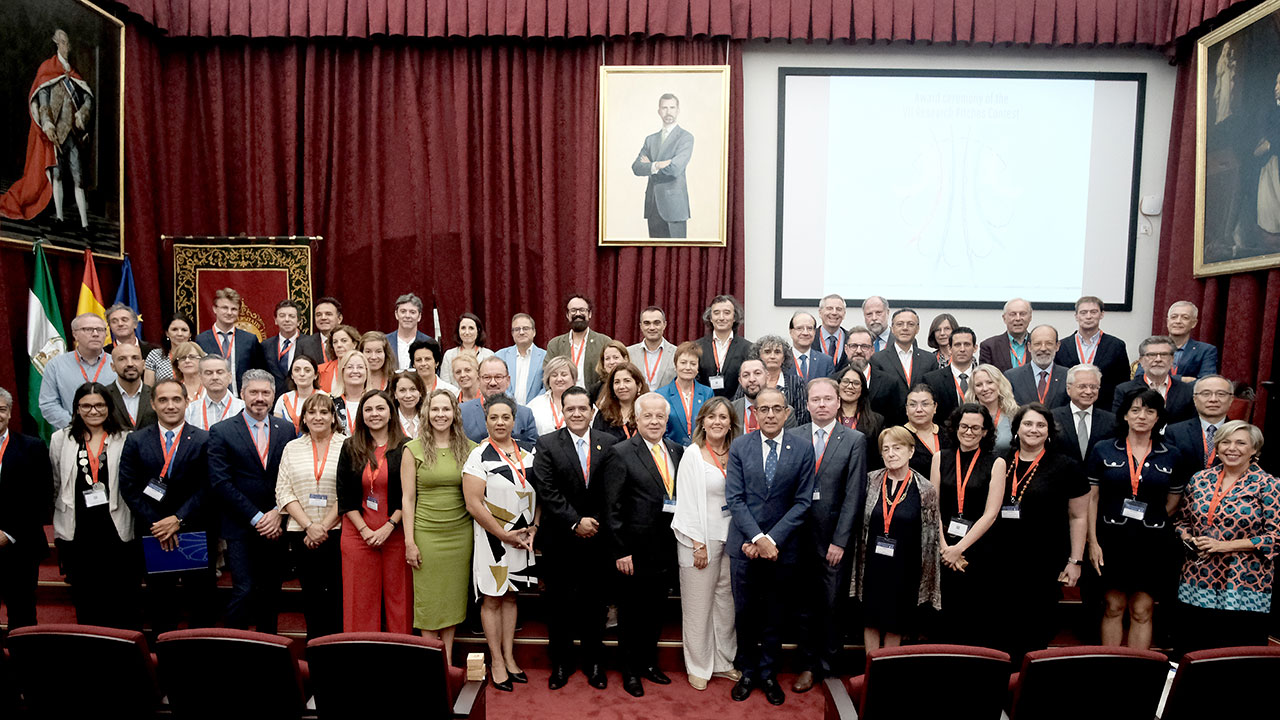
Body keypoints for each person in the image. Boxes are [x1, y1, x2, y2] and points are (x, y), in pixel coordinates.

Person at [723, 387, 813, 706]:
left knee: (776, 613)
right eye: (764, 409)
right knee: (746, 613)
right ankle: (747, 672)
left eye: (777, 409)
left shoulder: (803, 449)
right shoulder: (740, 447)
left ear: (787, 412)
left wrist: (771, 540)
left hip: (783, 549)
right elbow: (735, 498)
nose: (770, 414)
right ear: (754, 413)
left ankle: (768, 674)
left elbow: (803, 502)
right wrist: (757, 539)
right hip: (745, 547)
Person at [532, 386, 620, 691]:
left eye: (582, 408)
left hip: (598, 539)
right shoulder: (546, 445)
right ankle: (561, 663)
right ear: (562, 411)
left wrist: (593, 524)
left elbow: (613, 491)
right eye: (570, 409)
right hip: (560, 539)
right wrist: (575, 522)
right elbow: (546, 490)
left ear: (591, 410)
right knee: (559, 605)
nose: (577, 414)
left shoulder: (609, 443)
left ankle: (595, 663)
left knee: (595, 606)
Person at [1087, 388, 1189, 650]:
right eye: (1135, 410)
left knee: (1143, 609)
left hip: (1153, 543)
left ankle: (1137, 672)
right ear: (1125, 416)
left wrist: (1152, 520)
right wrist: (1093, 541)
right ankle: (1110, 664)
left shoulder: (1172, 454)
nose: (1142, 416)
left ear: (1158, 418)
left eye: (1149, 411)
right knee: (1113, 605)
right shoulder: (1104, 449)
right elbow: (1092, 499)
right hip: (1111, 539)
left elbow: (1174, 501)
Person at [989, 402, 1089, 662]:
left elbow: (1078, 516)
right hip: (1000, 562)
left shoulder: (1066, 466)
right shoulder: (1001, 460)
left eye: (1040, 425)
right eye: (1028, 424)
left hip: (1042, 564)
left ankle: (1024, 693)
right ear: (1016, 429)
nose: (1034, 430)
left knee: (1034, 634)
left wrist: (1075, 560)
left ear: (1049, 431)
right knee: (1000, 632)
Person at [117, 378, 216, 631]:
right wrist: (159, 524)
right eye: (163, 400)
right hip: (154, 533)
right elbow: (129, 487)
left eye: (176, 399)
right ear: (153, 404)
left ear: (186, 401)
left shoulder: (206, 439)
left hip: (194, 530)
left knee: (201, 602)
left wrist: (178, 520)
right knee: (161, 601)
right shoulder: (136, 441)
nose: (170, 405)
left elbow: (209, 485)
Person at [604, 393, 685, 697]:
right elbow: (611, 507)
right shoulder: (621, 452)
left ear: (667, 420)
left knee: (655, 611)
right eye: (647, 416)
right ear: (636, 420)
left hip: (666, 547)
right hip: (633, 551)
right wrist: (620, 550)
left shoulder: (677, 451)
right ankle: (630, 671)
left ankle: (649, 664)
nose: (654, 421)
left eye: (659, 416)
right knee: (631, 613)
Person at [789, 378, 867, 693]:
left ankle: (829, 667)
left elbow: (854, 494)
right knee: (803, 606)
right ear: (806, 404)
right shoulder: (792, 436)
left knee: (832, 606)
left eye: (827, 399)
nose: (821, 404)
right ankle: (807, 666)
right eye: (815, 399)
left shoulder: (854, 439)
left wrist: (841, 540)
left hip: (833, 539)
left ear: (838, 402)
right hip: (798, 537)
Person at [1174, 421, 1278, 651]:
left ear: (1254, 450)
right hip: (1198, 578)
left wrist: (1223, 546)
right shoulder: (1199, 479)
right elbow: (1181, 522)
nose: (1232, 448)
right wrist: (1190, 539)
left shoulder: (1269, 484)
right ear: (1217, 447)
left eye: (1241, 443)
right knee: (1194, 647)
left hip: (1245, 581)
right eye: (1225, 442)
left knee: (1235, 651)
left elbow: (1275, 536)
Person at [462, 395, 540, 692]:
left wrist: (534, 527)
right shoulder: (479, 455)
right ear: (486, 421)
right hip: (493, 539)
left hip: (522, 539)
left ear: (514, 420)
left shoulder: (529, 453)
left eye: (505, 417)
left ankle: (509, 657)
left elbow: (540, 494)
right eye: (494, 417)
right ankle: (496, 660)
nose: (500, 422)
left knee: (511, 596)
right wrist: (502, 534)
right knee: (493, 597)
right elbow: (473, 503)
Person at [207, 369, 293, 632]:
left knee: (271, 592)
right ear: (242, 394)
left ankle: (271, 649)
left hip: (277, 525)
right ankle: (236, 647)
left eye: (265, 392)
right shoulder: (221, 431)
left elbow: (292, 476)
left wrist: (278, 512)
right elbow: (220, 482)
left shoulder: (287, 429)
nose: (259, 398)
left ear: (273, 395)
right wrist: (258, 517)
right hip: (241, 526)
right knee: (243, 590)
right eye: (253, 392)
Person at [49, 382, 139, 628]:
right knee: (86, 598)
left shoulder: (125, 438)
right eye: (86, 406)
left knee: (122, 599)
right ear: (77, 409)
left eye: (99, 405)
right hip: (78, 531)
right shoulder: (61, 439)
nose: (93, 411)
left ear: (109, 407)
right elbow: (56, 482)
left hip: (116, 527)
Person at [671, 396, 743, 691]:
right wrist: (697, 543)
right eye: (711, 417)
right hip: (699, 539)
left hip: (732, 538)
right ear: (702, 421)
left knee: (726, 604)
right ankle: (699, 665)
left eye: (723, 417)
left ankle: (724, 661)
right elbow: (685, 501)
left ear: (730, 423)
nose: (717, 422)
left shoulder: (737, 452)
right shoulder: (693, 454)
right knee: (698, 606)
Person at [850, 426, 941, 652]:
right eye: (886, 449)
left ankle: (886, 670)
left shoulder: (925, 489)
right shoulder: (869, 481)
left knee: (895, 621)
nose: (891, 453)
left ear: (911, 451)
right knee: (870, 618)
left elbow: (930, 538)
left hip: (904, 568)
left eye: (897, 448)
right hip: (871, 564)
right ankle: (870, 671)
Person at [402, 389, 475, 664]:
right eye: (435, 410)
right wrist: (410, 541)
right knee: (429, 602)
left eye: (446, 409)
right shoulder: (414, 449)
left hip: (460, 535)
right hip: (426, 535)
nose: (441, 415)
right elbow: (408, 499)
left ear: (454, 413)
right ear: (427, 413)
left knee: (453, 600)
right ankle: (429, 666)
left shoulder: (470, 449)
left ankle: (446, 663)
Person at [929, 403, 1006, 646]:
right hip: (943, 549)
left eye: (975, 427)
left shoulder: (996, 462)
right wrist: (945, 548)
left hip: (979, 550)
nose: (969, 432)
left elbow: (991, 514)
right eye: (964, 426)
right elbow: (934, 507)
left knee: (976, 617)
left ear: (985, 432)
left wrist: (959, 548)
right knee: (945, 619)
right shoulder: (940, 457)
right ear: (955, 428)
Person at [0, 29, 93, 229]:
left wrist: (82, 113)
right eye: (64, 43)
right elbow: (42, 101)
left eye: (68, 43)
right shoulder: (47, 68)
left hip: (73, 135)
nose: (67, 47)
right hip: (56, 135)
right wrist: (48, 124)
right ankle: (59, 218)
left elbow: (87, 99)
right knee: (57, 175)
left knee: (78, 178)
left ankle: (85, 224)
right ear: (56, 43)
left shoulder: (74, 74)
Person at [337, 390, 410, 633]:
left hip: (396, 533)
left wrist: (389, 527)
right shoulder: (350, 446)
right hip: (358, 533)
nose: (374, 414)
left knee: (400, 602)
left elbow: (409, 495)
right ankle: (361, 660)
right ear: (361, 415)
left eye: (380, 408)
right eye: (368, 409)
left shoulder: (407, 447)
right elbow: (345, 497)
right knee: (360, 602)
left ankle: (401, 657)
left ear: (391, 412)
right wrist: (366, 530)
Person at [276, 393, 345, 639]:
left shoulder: (346, 445)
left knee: (337, 596)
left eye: (324, 412)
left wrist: (323, 527)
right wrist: (309, 526)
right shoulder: (291, 448)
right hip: (301, 534)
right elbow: (283, 491)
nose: (318, 417)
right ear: (303, 417)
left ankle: (337, 647)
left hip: (337, 533)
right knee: (311, 596)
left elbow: (348, 492)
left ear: (332, 417)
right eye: (312, 412)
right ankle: (315, 648)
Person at [0, 387, 53, 629]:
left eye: (1, 409)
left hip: (20, 547)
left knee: (22, 616)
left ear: (10, 413)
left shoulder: (32, 447)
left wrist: (8, 533)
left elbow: (42, 499)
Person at [39, 312, 117, 429]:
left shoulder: (117, 364)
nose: (95, 334)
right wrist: (76, 425)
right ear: (75, 334)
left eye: (100, 330)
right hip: (71, 434)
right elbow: (48, 404)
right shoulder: (56, 365)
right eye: (88, 329)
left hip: (111, 432)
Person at [631, 93, 693, 238]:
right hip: (653, 206)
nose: (668, 111)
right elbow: (636, 168)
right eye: (664, 108)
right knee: (655, 257)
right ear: (659, 111)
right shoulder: (650, 140)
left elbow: (675, 169)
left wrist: (650, 167)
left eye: (672, 107)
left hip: (674, 207)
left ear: (678, 110)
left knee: (677, 256)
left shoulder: (685, 138)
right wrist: (658, 165)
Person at [1055, 296, 1131, 408]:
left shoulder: (1116, 346)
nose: (1088, 316)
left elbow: (1123, 383)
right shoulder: (1062, 346)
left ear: (1102, 314)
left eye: (1093, 312)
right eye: (1083, 312)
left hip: (1105, 409)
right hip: (1068, 408)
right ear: (1076, 316)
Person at [868, 308, 939, 428]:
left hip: (922, 424)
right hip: (890, 425)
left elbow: (934, 393)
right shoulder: (877, 359)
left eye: (910, 324)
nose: (905, 328)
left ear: (917, 329)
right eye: (900, 324)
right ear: (892, 329)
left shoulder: (930, 359)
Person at [194, 288, 266, 394]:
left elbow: (259, 373)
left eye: (233, 309)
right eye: (224, 308)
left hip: (242, 402)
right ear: (214, 309)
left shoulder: (249, 340)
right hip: (211, 399)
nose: (229, 312)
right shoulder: (201, 340)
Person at [1112, 336, 1196, 422]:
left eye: (1164, 355)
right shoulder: (1124, 390)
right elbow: (1118, 423)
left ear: (1172, 360)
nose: (1158, 359)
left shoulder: (1187, 391)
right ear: (1141, 361)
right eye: (1152, 355)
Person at [460, 357, 539, 442]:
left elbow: (533, 449)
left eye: (498, 377)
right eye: (487, 377)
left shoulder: (525, 414)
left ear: (508, 380)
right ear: (479, 381)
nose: (493, 383)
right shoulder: (462, 411)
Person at [1052, 364, 1118, 464]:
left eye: (1093, 387)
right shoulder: (1053, 417)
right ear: (1068, 389)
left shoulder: (1111, 421)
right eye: (1082, 386)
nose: (1088, 391)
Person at [546, 294, 614, 391]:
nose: (578, 314)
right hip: (562, 399)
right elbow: (547, 374)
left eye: (582, 310)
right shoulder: (555, 344)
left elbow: (610, 373)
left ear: (589, 314)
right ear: (567, 315)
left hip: (595, 400)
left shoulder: (604, 342)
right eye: (573, 310)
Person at [1165, 375, 1233, 471]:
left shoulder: (1243, 433)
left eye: (1221, 394)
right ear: (1195, 399)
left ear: (1231, 399)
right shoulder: (1175, 432)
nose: (1213, 399)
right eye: (1206, 394)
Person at [657, 341, 714, 447]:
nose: (688, 367)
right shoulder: (661, 395)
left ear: (697, 368)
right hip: (671, 451)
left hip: (701, 450)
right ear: (675, 365)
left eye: (693, 364)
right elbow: (660, 430)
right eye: (683, 363)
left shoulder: (707, 393)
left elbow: (711, 425)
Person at [695, 294, 752, 398]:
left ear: (734, 317)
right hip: (704, 407)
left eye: (727, 313)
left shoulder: (748, 348)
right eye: (716, 313)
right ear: (710, 318)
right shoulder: (696, 347)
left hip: (736, 408)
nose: (721, 318)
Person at [262, 300, 322, 397]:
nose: (287, 319)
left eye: (291, 316)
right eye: (282, 316)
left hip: (304, 399)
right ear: (275, 320)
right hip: (272, 401)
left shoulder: (311, 343)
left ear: (299, 321)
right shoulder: (265, 345)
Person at [1005, 325, 1069, 408]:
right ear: (1029, 347)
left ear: (1057, 346)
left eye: (1049, 343)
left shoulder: (1068, 375)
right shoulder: (1012, 377)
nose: (1043, 348)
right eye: (1037, 344)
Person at [923, 325, 977, 422]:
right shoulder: (932, 380)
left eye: (967, 344)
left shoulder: (984, 378)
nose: (962, 349)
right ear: (950, 348)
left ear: (975, 348)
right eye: (957, 345)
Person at [733, 358, 798, 434]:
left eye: (757, 373)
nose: (751, 379)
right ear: (740, 381)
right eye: (746, 375)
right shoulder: (730, 410)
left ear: (767, 377)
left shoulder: (785, 411)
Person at [1158, 301, 1219, 381]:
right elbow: (1140, 380)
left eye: (1185, 318)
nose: (1178, 321)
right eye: (1174, 317)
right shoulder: (1153, 348)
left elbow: (1206, 383)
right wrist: (1183, 379)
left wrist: (1160, 380)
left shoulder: (1206, 351)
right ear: (1167, 322)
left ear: (1194, 323)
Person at [964, 364, 1018, 456]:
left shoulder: (1014, 414)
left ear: (999, 384)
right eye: (979, 385)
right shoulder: (966, 416)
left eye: (990, 382)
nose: (985, 388)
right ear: (974, 390)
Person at [754, 335, 809, 425]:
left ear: (784, 358)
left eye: (777, 352)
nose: (772, 356)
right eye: (767, 352)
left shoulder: (796, 383)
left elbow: (801, 418)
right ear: (759, 356)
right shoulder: (751, 381)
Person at [592, 362, 651, 442]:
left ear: (639, 386)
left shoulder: (648, 412)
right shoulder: (603, 415)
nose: (621, 386)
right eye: (617, 382)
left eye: (627, 381)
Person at [496, 313, 546, 405]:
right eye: (517, 329)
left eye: (526, 328)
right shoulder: (500, 356)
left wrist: (533, 406)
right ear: (512, 333)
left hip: (535, 410)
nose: (521, 332)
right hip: (506, 410)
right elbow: (496, 384)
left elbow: (547, 387)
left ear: (534, 332)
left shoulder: (545, 357)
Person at [834, 365, 883, 458]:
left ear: (862, 389)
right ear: (838, 385)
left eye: (856, 383)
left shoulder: (877, 421)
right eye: (845, 381)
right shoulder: (827, 417)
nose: (850, 386)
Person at [184, 355, 245, 431]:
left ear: (230, 377)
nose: (215, 377)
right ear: (200, 378)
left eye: (220, 372)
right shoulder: (190, 411)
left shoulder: (243, 409)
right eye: (209, 373)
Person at [106, 343, 156, 429]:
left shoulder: (155, 395)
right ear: (113, 366)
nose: (130, 364)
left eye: (135, 358)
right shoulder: (104, 396)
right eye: (122, 359)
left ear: (143, 364)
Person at [628, 306, 678, 390]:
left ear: (664, 325)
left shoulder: (677, 353)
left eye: (656, 323)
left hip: (667, 402)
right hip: (636, 402)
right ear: (641, 326)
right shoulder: (628, 353)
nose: (652, 328)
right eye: (647, 323)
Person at [978, 298, 1033, 372]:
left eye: (1022, 314)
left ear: (1030, 317)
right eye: (1013, 314)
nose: (1018, 318)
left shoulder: (1039, 344)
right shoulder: (989, 346)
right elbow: (985, 378)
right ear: (1004, 318)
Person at [527, 356, 578, 436]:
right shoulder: (535, 405)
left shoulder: (584, 402)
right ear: (548, 380)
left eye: (564, 375)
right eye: (554, 375)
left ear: (573, 378)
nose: (559, 379)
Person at [104, 303, 160, 374]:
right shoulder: (104, 353)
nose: (120, 324)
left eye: (124, 320)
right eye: (114, 321)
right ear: (110, 327)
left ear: (135, 324)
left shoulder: (154, 351)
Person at [272, 354, 321, 436]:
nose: (302, 374)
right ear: (292, 375)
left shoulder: (324, 398)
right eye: (297, 370)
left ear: (315, 375)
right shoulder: (283, 399)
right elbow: (276, 430)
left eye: (307, 370)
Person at [441, 312, 496, 385]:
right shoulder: (449, 355)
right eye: (463, 328)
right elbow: (445, 384)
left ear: (478, 331)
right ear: (458, 331)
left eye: (471, 328)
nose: (467, 332)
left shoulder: (489, 355)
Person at [385, 293, 433, 371]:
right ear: (396, 314)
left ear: (419, 316)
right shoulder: (385, 341)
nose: (407, 316)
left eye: (412, 312)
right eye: (403, 311)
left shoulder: (429, 343)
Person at [902, 384, 941, 477]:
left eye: (925, 404)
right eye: (913, 405)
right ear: (906, 409)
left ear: (935, 407)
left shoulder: (948, 434)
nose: (919, 409)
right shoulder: (899, 436)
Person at [788, 311, 836, 385]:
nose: (805, 333)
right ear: (791, 332)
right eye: (799, 328)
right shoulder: (782, 359)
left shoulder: (826, 361)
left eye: (810, 328)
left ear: (814, 332)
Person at [144, 314, 195, 383]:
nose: (179, 334)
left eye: (184, 330)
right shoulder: (155, 355)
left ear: (190, 334)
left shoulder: (200, 356)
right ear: (167, 333)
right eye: (174, 329)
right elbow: (148, 389)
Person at [331, 350, 370, 435]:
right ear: (342, 371)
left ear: (367, 371)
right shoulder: (330, 402)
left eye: (360, 367)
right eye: (350, 367)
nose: (355, 371)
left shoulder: (375, 400)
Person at [318, 325, 361, 393]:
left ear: (354, 344)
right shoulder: (320, 370)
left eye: (344, 341)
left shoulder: (364, 369)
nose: (339, 345)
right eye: (335, 342)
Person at [816, 294, 849, 368]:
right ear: (820, 312)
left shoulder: (851, 339)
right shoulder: (810, 337)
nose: (834, 313)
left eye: (839, 309)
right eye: (829, 308)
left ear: (844, 314)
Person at [391, 370, 426, 438]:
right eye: (402, 390)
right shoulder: (389, 419)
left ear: (420, 392)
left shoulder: (428, 417)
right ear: (395, 394)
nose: (408, 395)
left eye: (413, 389)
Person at [311, 297, 345, 364]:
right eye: (318, 315)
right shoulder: (304, 344)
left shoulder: (349, 342)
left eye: (328, 314)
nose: (323, 318)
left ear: (339, 319)